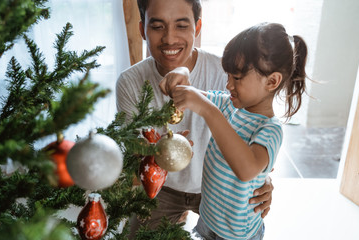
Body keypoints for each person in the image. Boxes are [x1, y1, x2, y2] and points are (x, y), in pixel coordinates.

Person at [116, 0, 274, 236]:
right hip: (163, 189)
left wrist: (265, 178)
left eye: (181, 25)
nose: (169, 38)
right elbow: (134, 153)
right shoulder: (129, 82)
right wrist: (163, 151)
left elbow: (260, 127)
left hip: (223, 187)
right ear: (143, 30)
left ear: (197, 27)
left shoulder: (226, 74)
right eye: (158, 26)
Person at [159, 22, 309, 239]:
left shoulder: (270, 129)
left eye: (236, 78)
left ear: (272, 81)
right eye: (228, 75)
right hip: (208, 220)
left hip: (237, 235)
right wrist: (181, 73)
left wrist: (209, 111)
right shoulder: (229, 104)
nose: (228, 85)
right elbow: (193, 95)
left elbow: (246, 169)